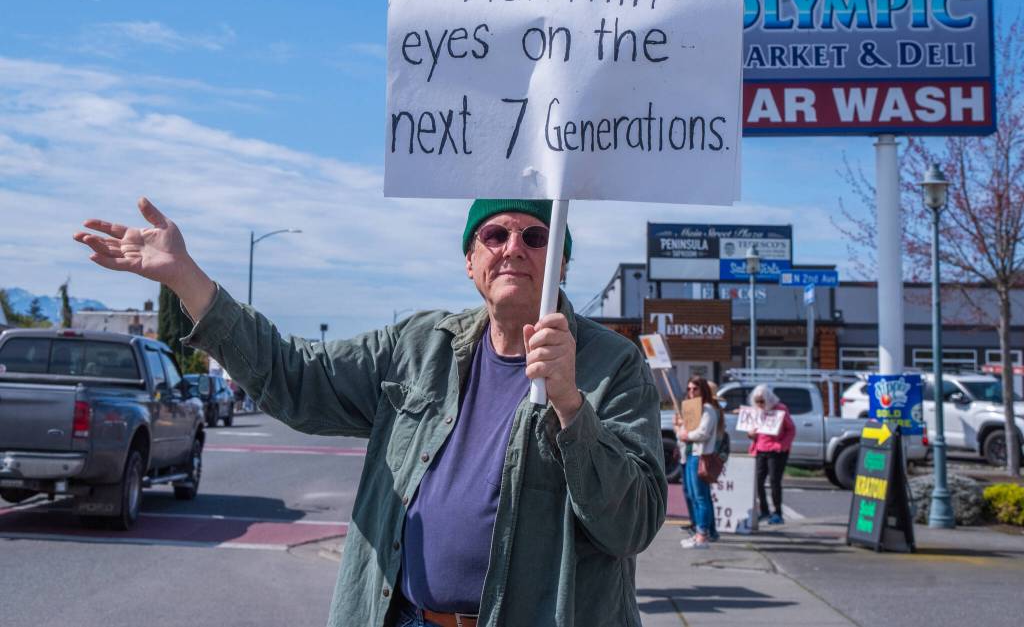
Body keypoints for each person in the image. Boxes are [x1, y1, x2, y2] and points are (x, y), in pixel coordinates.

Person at [74, 197, 667, 627]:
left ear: (560, 263)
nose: (514, 248)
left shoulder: (612, 365)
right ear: (470, 261)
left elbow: (632, 523)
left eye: (535, 237)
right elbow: (296, 376)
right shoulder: (418, 345)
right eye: (494, 235)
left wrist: (569, 402)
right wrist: (186, 278)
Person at [674, 376, 723, 549]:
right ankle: (700, 532)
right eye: (689, 389)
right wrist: (681, 430)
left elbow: (703, 433)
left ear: (703, 390)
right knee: (694, 496)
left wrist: (686, 435)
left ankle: (703, 534)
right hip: (688, 456)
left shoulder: (707, 408)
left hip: (700, 456)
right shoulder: (691, 408)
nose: (691, 392)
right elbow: (682, 431)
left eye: (695, 389)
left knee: (700, 497)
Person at [747, 384, 796, 525]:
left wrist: (783, 445)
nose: (760, 404)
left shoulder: (780, 409)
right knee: (758, 482)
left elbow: (791, 429)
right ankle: (764, 511)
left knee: (774, 481)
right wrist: (751, 435)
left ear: (768, 399)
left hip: (777, 451)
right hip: (760, 449)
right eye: (757, 401)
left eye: (762, 401)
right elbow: (753, 432)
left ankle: (778, 513)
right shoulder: (756, 411)